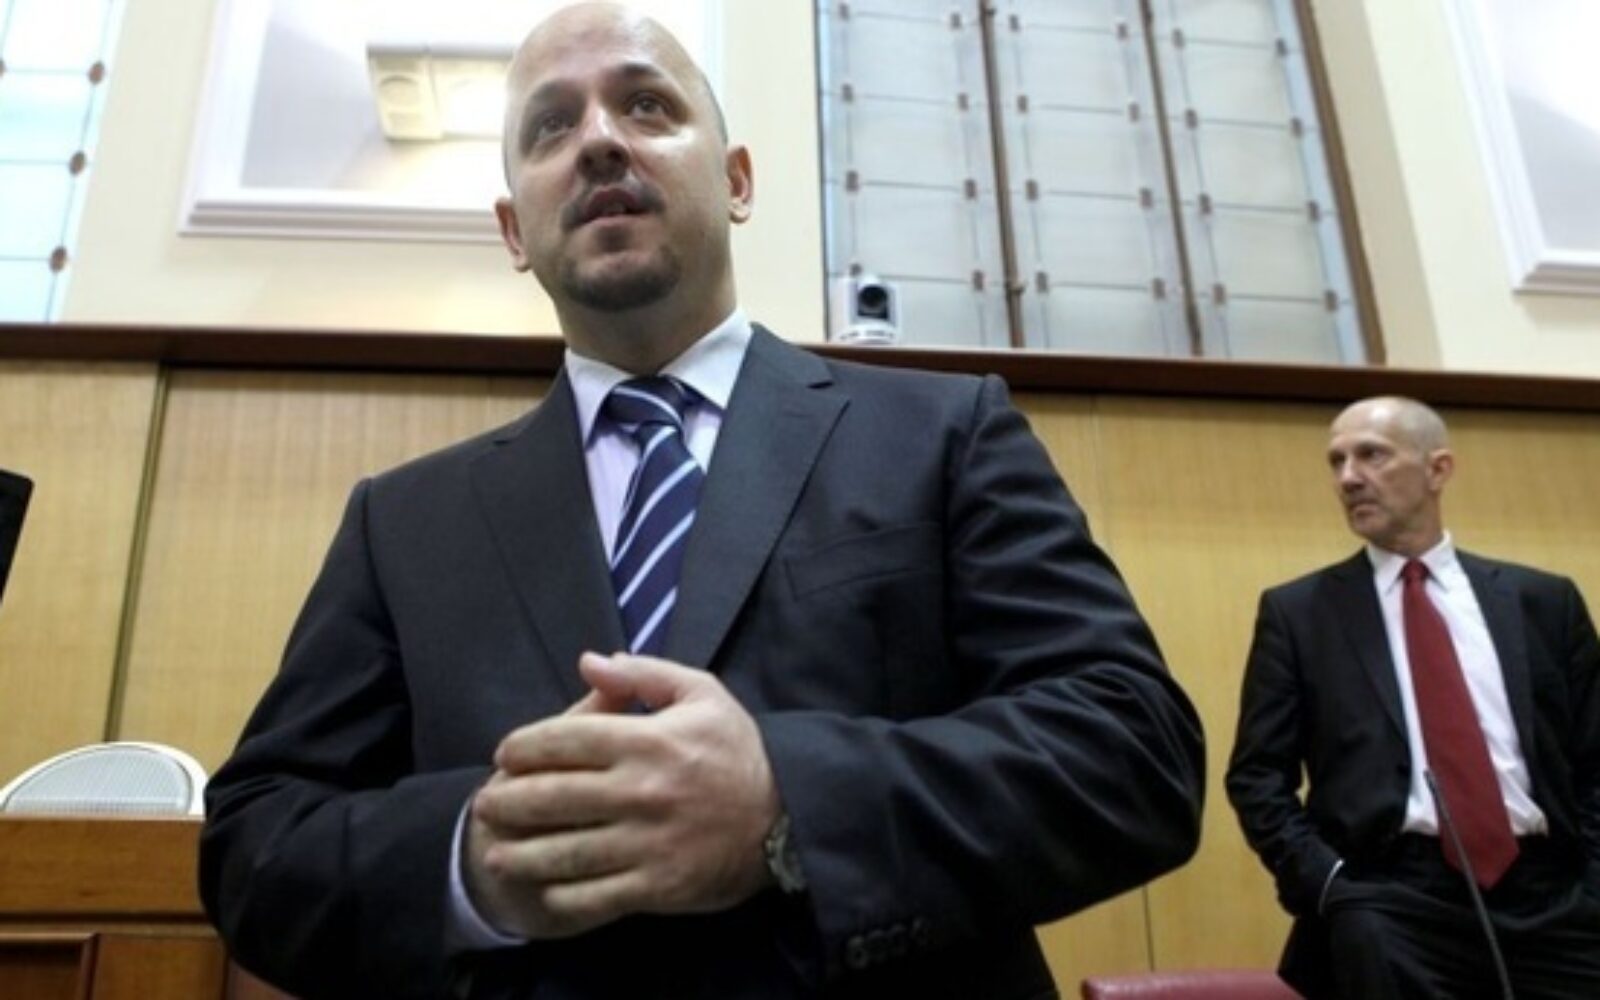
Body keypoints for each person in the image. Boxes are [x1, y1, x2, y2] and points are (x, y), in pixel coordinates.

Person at [200, 5, 1204, 998]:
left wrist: (786, 803)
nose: (599, 140)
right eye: (550, 125)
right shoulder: (402, 525)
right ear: (513, 231)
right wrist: (471, 860)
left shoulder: (944, 432)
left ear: (736, 182)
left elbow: (1133, 748)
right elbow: (255, 841)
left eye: (646, 105)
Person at [1227, 396, 1600, 999]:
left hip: (1553, 897)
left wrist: (1594, 885)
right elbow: (1257, 776)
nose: (1348, 477)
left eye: (1371, 455)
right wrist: (1328, 884)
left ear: (1438, 469)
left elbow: (1593, 758)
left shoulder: (1544, 602)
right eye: (1336, 461)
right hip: (1391, 899)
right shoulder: (1300, 614)